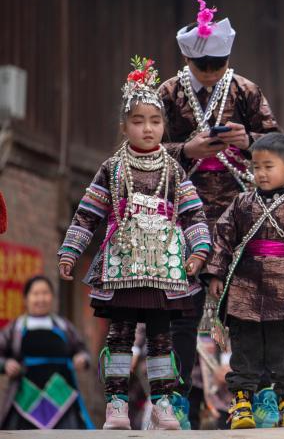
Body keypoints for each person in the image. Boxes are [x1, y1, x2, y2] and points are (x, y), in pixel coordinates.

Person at [57, 57, 211, 430]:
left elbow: (193, 214)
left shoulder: (174, 171)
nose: (148, 129)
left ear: (164, 126)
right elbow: (88, 212)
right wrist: (70, 251)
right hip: (122, 263)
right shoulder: (112, 168)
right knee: (120, 334)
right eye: (138, 122)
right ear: (123, 126)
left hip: (165, 267)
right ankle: (116, 405)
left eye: (155, 121)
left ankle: (162, 404)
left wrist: (200, 250)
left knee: (161, 337)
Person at [158, 0, 279, 423]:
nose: (209, 74)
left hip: (238, 211)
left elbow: (276, 145)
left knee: (245, 305)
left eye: (217, 66)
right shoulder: (168, 92)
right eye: (201, 66)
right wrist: (186, 149)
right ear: (187, 61)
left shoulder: (246, 90)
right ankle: (174, 399)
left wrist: (247, 142)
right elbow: (144, 149)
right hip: (183, 213)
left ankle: (253, 393)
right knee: (183, 310)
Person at [204, 133, 284, 429]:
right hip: (245, 287)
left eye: (268, 166)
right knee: (244, 348)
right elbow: (222, 239)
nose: (260, 173)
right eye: (256, 167)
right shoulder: (241, 204)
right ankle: (242, 403)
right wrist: (216, 274)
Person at [0, 276, 93, 430]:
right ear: (26, 298)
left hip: (61, 395)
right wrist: (5, 364)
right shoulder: (15, 328)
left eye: (45, 293)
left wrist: (81, 358)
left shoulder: (63, 326)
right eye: (36, 294)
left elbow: (82, 350)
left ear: (52, 297)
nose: (41, 298)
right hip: (25, 397)